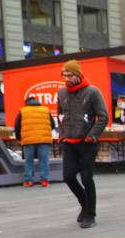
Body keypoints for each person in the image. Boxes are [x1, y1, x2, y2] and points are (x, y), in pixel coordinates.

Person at [57, 60, 108, 228]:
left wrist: (92, 136)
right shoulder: (62, 92)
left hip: (87, 142)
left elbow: (103, 116)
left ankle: (90, 214)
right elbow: (60, 115)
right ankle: (84, 204)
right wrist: (62, 134)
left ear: (78, 75)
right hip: (69, 142)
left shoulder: (92, 91)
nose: (67, 78)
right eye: (64, 75)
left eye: (70, 75)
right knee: (68, 177)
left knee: (87, 178)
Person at [14, 96, 55, 187]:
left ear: (27, 102)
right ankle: (44, 180)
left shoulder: (23, 110)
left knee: (29, 161)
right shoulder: (45, 110)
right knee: (44, 160)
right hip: (44, 140)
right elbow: (52, 125)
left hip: (28, 140)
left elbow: (17, 126)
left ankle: (29, 181)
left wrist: (19, 138)